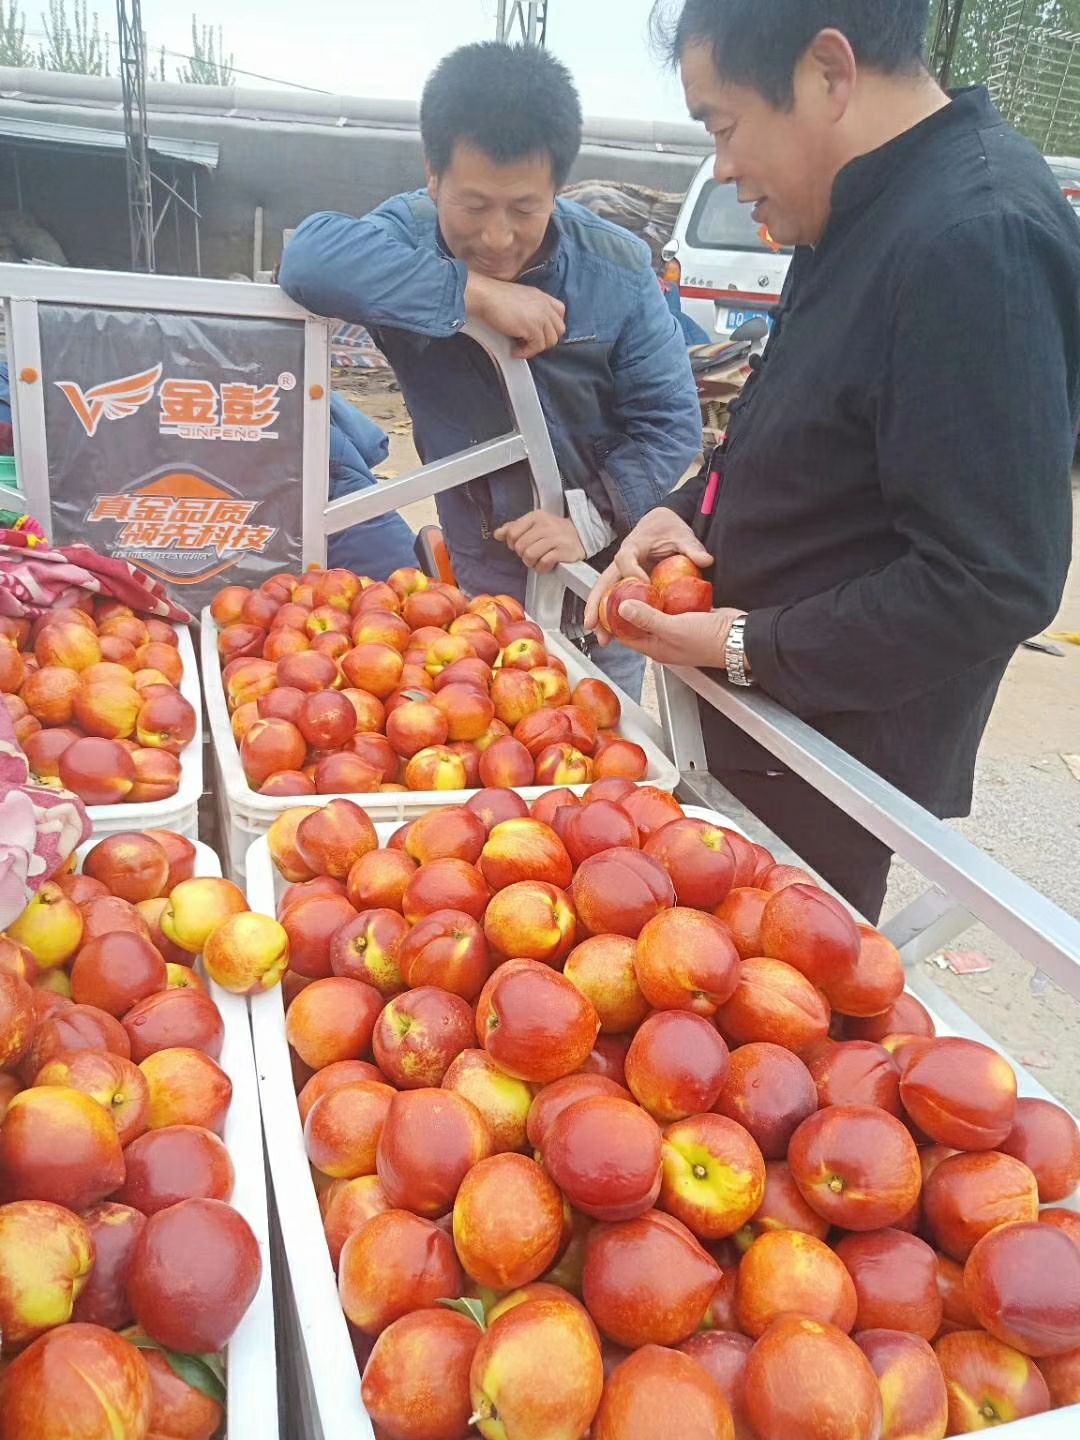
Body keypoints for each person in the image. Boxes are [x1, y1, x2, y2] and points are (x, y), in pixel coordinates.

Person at [587, 0, 1079, 919]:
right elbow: (808, 431)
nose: (722, 166)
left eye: (724, 127)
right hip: (761, 717)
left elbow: (990, 578)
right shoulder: (857, 207)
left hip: (829, 757)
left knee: (782, 1014)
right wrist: (686, 513)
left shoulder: (976, 241)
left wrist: (744, 643)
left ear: (827, 72)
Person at [279, 41, 702, 699]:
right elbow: (308, 260)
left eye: (525, 210)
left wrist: (586, 519)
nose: (499, 238)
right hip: (480, 567)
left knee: (595, 732)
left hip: (599, 572)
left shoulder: (616, 270)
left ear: (556, 189)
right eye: (474, 208)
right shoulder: (405, 239)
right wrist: (470, 292)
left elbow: (672, 424)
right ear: (433, 175)